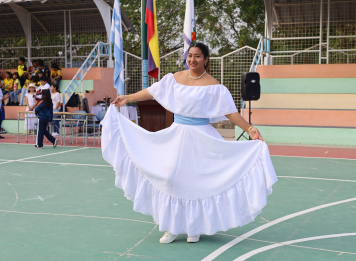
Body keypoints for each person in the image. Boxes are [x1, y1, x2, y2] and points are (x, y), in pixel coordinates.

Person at [104, 43, 277, 244]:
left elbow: (231, 112)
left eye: (197, 56)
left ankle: (194, 229)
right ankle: (171, 227)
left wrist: (249, 129)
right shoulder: (174, 79)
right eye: (190, 55)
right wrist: (128, 98)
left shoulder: (214, 86)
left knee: (197, 183)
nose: (192, 60)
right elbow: (152, 92)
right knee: (170, 178)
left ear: (206, 59)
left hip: (202, 138)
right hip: (176, 136)